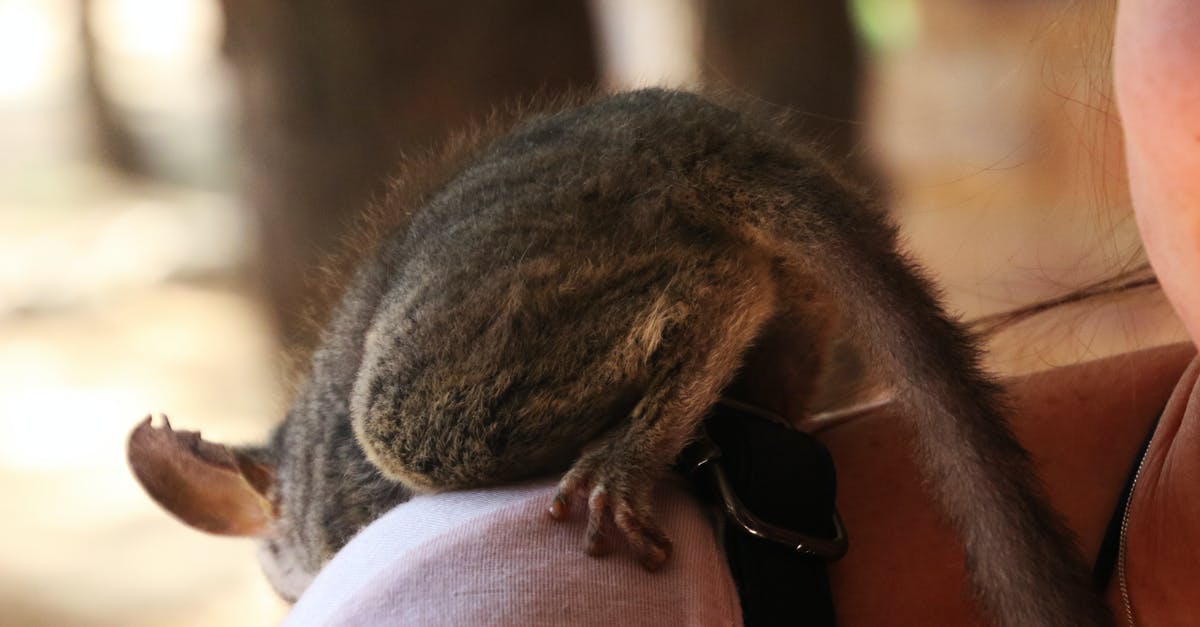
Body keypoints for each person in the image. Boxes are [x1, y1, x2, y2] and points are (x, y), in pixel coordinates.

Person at [284, 1, 1199, 623]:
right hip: (683, 236)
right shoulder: (436, 579)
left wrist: (643, 433)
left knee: (408, 431)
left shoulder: (419, 554)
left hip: (671, 236)